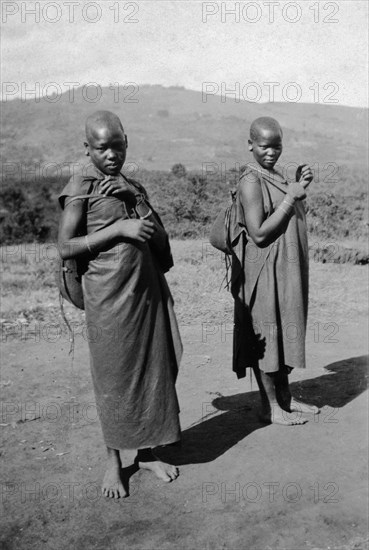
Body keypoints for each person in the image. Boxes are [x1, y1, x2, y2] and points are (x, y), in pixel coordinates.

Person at [58, 110, 182, 498]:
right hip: (108, 300)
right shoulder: (81, 186)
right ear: (87, 148)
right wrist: (118, 227)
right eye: (101, 148)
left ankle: (146, 451)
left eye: (117, 146)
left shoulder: (131, 184)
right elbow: (65, 247)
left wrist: (136, 202)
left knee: (153, 370)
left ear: (127, 142)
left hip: (146, 294)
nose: (111, 155)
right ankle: (113, 459)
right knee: (113, 379)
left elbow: (159, 240)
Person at [231, 116, 319, 425]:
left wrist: (297, 185)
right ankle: (270, 407)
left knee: (283, 332)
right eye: (265, 146)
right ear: (250, 145)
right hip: (261, 272)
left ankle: (285, 397)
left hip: (283, 270)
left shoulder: (276, 176)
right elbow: (258, 233)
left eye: (277, 145)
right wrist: (292, 196)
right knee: (266, 335)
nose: (271, 152)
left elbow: (288, 210)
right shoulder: (251, 180)